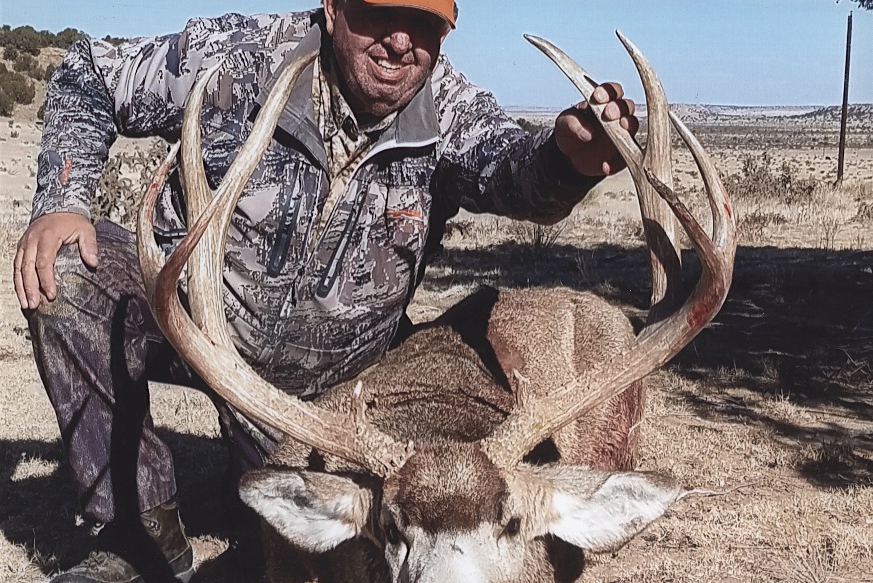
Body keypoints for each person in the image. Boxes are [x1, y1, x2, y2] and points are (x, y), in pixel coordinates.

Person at [14, 0, 639, 581]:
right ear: (334, 8)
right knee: (68, 273)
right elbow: (89, 73)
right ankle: (135, 528)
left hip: (333, 398)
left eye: (424, 25)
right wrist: (63, 199)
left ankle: (241, 478)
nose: (400, 41)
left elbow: (515, 174)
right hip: (198, 331)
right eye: (380, 14)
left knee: (286, 525)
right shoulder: (235, 58)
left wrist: (566, 160)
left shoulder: (449, 111)